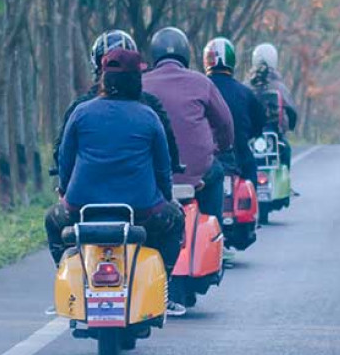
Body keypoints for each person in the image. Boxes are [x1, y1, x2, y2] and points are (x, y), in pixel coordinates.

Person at [48, 48, 187, 316]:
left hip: (80, 209)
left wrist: (65, 192)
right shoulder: (149, 116)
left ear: (104, 78)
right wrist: (167, 197)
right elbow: (163, 168)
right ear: (137, 80)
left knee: (51, 221)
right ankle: (164, 289)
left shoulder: (80, 112)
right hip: (142, 212)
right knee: (176, 221)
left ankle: (70, 284)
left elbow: (65, 162)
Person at [51, 29, 180, 173]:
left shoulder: (80, 108)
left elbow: (61, 153)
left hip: (90, 190)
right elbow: (169, 151)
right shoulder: (150, 105)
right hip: (141, 190)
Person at [140, 28, 234, 220]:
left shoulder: (140, 83)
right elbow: (225, 124)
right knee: (216, 172)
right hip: (197, 175)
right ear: (186, 53)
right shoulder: (201, 82)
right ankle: (215, 232)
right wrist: (221, 147)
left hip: (151, 176)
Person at [203, 37, 266, 185]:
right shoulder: (245, 92)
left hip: (206, 161)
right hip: (240, 158)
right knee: (251, 177)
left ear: (207, 60)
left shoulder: (198, 89)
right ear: (232, 60)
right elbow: (259, 124)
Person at [248, 42, 298, 166]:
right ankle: (284, 183)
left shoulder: (246, 85)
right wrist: (290, 126)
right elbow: (292, 112)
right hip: (274, 139)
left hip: (249, 138)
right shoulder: (280, 87)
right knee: (285, 151)